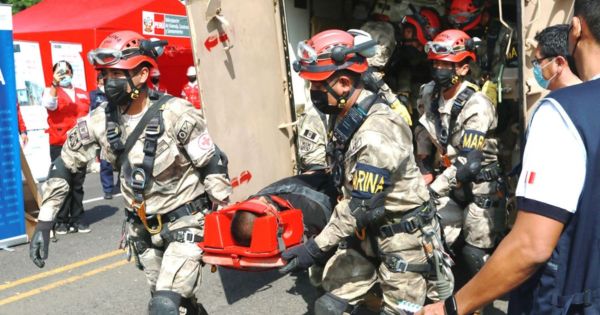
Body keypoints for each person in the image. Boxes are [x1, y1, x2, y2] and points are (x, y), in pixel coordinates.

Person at [29, 30, 232, 315]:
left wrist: (225, 216)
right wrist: (45, 223)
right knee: (179, 306)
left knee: (164, 306)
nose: (105, 82)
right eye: (103, 74)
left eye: (115, 74)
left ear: (141, 75)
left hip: (186, 222)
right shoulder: (100, 120)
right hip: (143, 230)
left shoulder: (177, 114)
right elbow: (64, 166)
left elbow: (212, 163)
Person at [419, 1, 600, 313]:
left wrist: (451, 308)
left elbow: (532, 246)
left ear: (576, 28)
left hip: (570, 297)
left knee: (477, 251)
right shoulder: (429, 97)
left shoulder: (563, 111)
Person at [280, 29, 451, 315]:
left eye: (318, 86)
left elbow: (360, 204)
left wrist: (315, 248)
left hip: (403, 242)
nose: (314, 94)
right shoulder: (348, 116)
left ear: (344, 83)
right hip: (367, 234)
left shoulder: (375, 133)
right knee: (327, 305)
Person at [417, 29, 505, 287]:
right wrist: (424, 167)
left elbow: (470, 163)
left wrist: (433, 189)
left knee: (475, 253)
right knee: (428, 233)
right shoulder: (428, 93)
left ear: (464, 68)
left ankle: (482, 303)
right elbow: (423, 130)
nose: (439, 69)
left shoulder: (477, 104)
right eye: (436, 63)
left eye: (447, 64)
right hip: (447, 180)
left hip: (480, 187)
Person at [42, 60, 90, 234]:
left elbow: (87, 119)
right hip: (59, 143)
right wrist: (54, 83)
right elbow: (49, 104)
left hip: (80, 145)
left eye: (67, 70)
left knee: (77, 184)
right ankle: (61, 220)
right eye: (60, 71)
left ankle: (77, 219)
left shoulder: (84, 94)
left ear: (72, 72)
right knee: (61, 183)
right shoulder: (51, 91)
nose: (64, 74)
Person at [532, 24, 582, 91]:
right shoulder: (592, 93)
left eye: (538, 61)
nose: (535, 67)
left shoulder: (555, 101)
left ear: (559, 63)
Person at [89, 73, 115, 199]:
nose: (105, 82)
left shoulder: (114, 92)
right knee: (105, 161)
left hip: (115, 128)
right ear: (98, 81)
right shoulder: (94, 95)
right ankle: (108, 189)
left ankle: (124, 183)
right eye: (103, 80)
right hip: (101, 132)